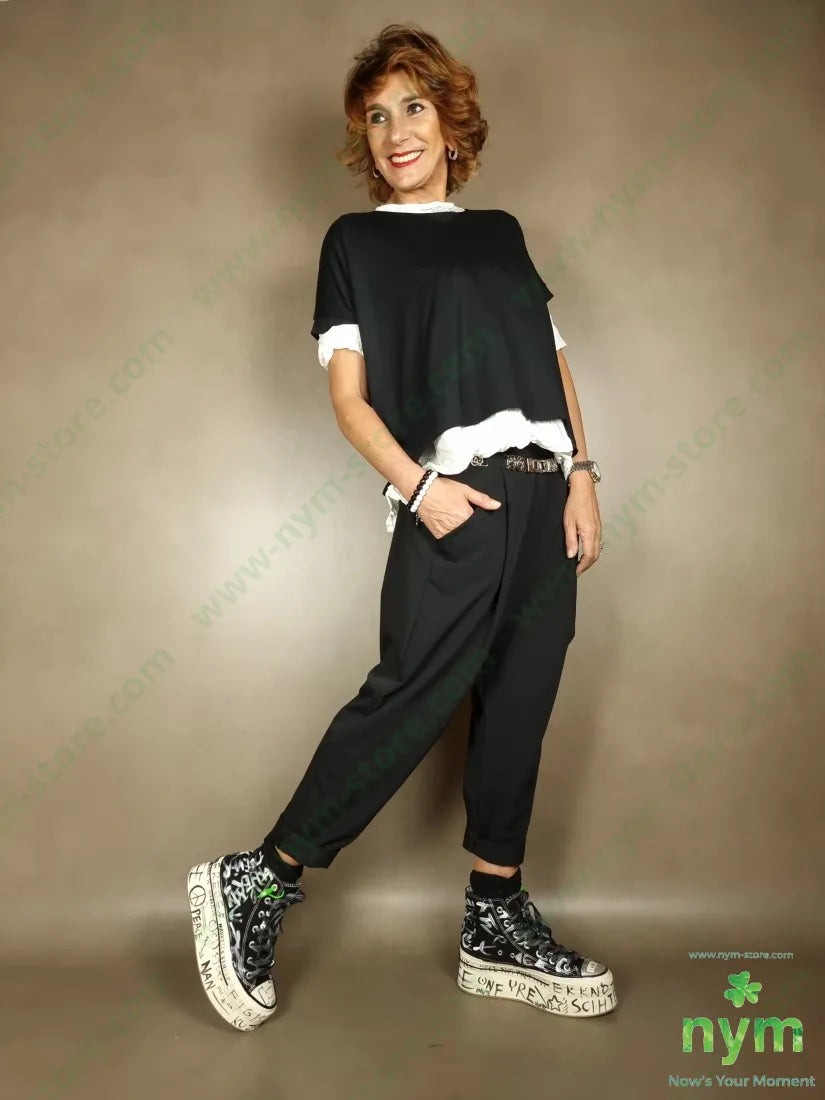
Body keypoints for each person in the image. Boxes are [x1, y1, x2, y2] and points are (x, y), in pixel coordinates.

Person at [187, 22, 617, 1032]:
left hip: (545, 498)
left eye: (412, 108)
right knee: (411, 698)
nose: (395, 133)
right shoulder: (357, 244)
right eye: (376, 118)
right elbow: (349, 398)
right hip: (456, 501)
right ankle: (260, 876)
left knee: (521, 701)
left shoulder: (501, 232)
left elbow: (551, 362)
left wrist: (582, 473)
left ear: (451, 122)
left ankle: (494, 915)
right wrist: (420, 488)